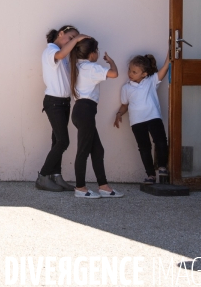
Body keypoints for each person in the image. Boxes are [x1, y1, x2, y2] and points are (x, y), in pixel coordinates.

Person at [36, 25, 89, 192]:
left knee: (56, 141)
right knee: (63, 141)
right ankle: (43, 177)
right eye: (70, 37)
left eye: (74, 39)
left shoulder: (64, 54)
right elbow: (60, 54)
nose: (72, 41)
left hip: (64, 102)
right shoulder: (51, 50)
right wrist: (78, 40)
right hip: (54, 103)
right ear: (61, 34)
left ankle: (56, 176)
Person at [69, 37, 122, 198]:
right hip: (86, 111)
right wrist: (111, 62)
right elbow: (114, 74)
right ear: (92, 53)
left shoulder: (77, 66)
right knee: (83, 151)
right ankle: (80, 188)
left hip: (81, 111)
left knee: (97, 150)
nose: (98, 53)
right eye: (97, 51)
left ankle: (103, 186)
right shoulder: (92, 68)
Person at [114, 53, 170, 184]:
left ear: (144, 74)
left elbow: (166, 67)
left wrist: (170, 52)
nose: (130, 73)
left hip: (153, 117)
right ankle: (150, 175)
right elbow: (124, 105)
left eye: (134, 72)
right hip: (137, 122)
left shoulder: (151, 81)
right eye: (130, 70)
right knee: (144, 148)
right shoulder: (126, 87)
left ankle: (162, 167)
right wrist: (118, 114)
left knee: (161, 141)